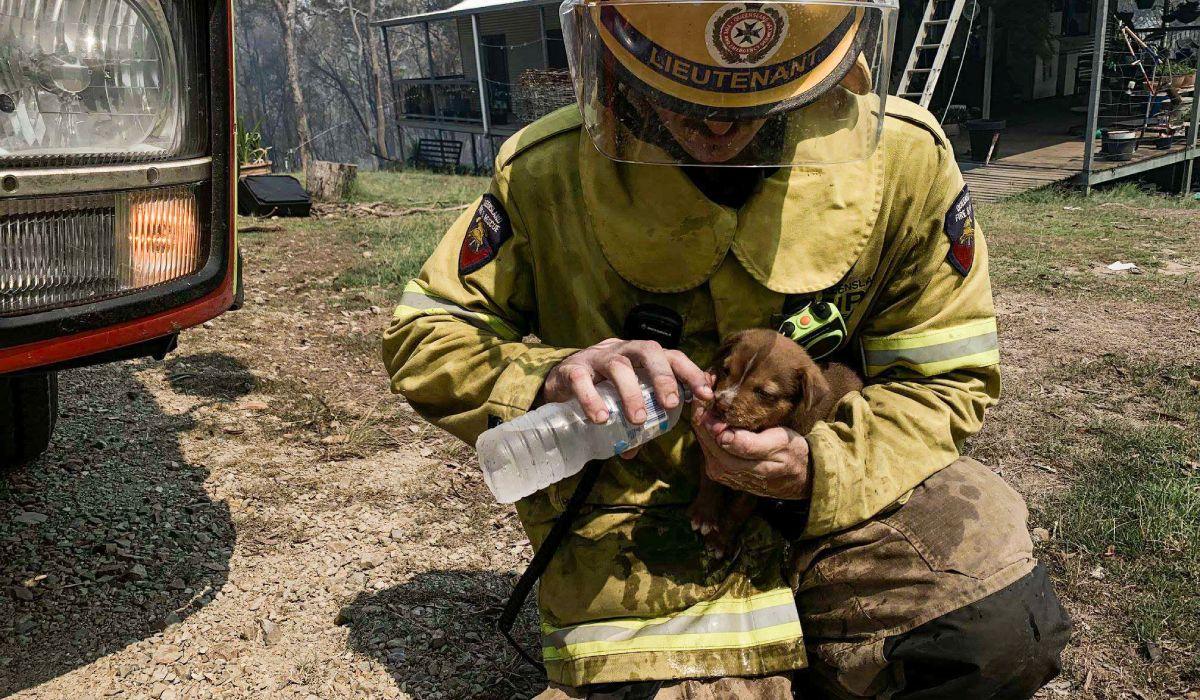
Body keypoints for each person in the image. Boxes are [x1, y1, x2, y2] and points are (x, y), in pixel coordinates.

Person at [382, 0, 1071, 697]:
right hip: (637, 520)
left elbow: (945, 380)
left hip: (839, 496)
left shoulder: (908, 162)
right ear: (609, 52)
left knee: (997, 632)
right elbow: (425, 336)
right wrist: (552, 377)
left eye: (758, 106)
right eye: (679, 96)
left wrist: (820, 467)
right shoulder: (545, 170)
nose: (716, 127)